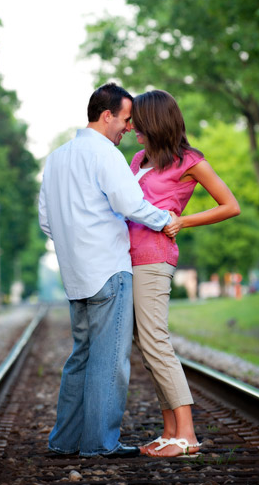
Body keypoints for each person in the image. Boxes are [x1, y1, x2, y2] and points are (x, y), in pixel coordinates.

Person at [38, 83, 180, 458]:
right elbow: (130, 203)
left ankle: (64, 441)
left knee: (81, 357)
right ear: (107, 116)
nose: (129, 128)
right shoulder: (105, 154)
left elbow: (46, 221)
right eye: (126, 119)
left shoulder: (55, 159)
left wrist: (74, 246)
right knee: (111, 360)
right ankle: (100, 444)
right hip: (110, 272)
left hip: (75, 275)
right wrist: (165, 220)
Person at [128, 89, 240, 458]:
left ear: (155, 122)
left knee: (156, 342)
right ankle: (169, 431)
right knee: (146, 347)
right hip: (127, 257)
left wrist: (183, 220)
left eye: (139, 123)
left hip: (155, 256)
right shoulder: (137, 159)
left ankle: (188, 435)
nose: (133, 129)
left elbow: (230, 205)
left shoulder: (189, 160)